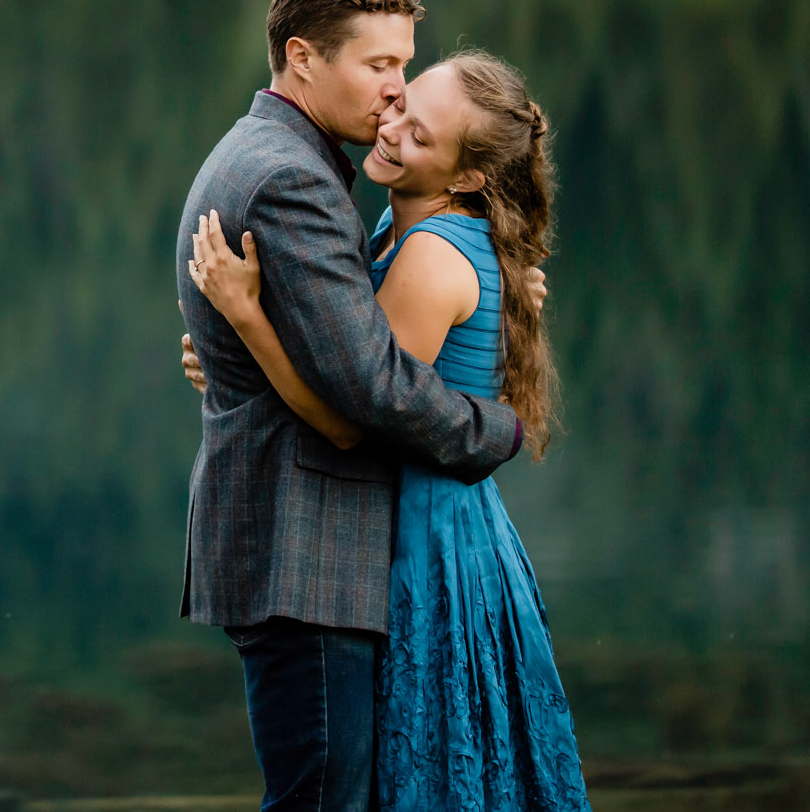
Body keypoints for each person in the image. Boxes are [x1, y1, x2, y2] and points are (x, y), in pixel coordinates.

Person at [186, 50, 592, 812]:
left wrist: (246, 323)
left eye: (423, 134)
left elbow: (350, 415)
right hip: (422, 516)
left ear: (468, 177)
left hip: (426, 537)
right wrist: (240, 350)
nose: (395, 126)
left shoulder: (433, 255)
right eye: (405, 103)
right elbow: (340, 355)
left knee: (422, 766)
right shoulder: (402, 221)